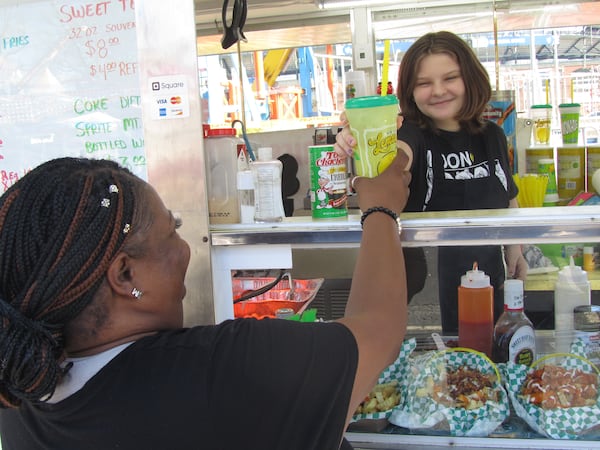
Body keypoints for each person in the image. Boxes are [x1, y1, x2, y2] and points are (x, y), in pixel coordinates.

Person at [0, 153, 411, 450]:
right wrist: (380, 209)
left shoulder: (19, 387)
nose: (184, 249)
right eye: (172, 231)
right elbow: (380, 327)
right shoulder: (222, 368)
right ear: (125, 275)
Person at [336, 31, 528, 334]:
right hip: (426, 296)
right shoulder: (412, 135)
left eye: (450, 78)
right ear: (410, 91)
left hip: (489, 283)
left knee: (484, 367)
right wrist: (362, 139)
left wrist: (515, 248)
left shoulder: (492, 135)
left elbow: (508, 194)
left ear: (470, 79)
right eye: (424, 83)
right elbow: (394, 159)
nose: (438, 91)